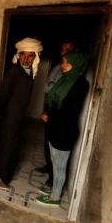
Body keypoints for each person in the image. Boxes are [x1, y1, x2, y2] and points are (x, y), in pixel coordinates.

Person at [0, 37, 43, 189]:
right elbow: (0, 97)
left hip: (18, 118)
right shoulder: (14, 72)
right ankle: (1, 177)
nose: (26, 59)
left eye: (30, 55)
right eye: (23, 55)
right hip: (8, 119)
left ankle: (3, 174)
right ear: (18, 55)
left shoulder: (31, 72)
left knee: (12, 146)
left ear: (36, 57)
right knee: (6, 147)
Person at [36, 51, 89, 206]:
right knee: (53, 160)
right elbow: (53, 100)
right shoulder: (64, 79)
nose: (63, 65)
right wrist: (48, 114)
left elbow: (70, 110)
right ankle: (54, 189)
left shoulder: (80, 84)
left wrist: (51, 116)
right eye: (63, 62)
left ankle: (55, 198)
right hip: (55, 127)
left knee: (60, 166)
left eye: (67, 62)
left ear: (77, 64)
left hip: (65, 130)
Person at [36, 40, 76, 187]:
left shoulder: (73, 77)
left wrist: (52, 87)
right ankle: (49, 167)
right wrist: (45, 109)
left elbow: (54, 89)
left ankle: (54, 181)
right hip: (51, 107)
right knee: (47, 141)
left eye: (68, 49)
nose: (64, 52)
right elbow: (48, 87)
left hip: (59, 114)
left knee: (55, 146)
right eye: (63, 49)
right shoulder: (58, 67)